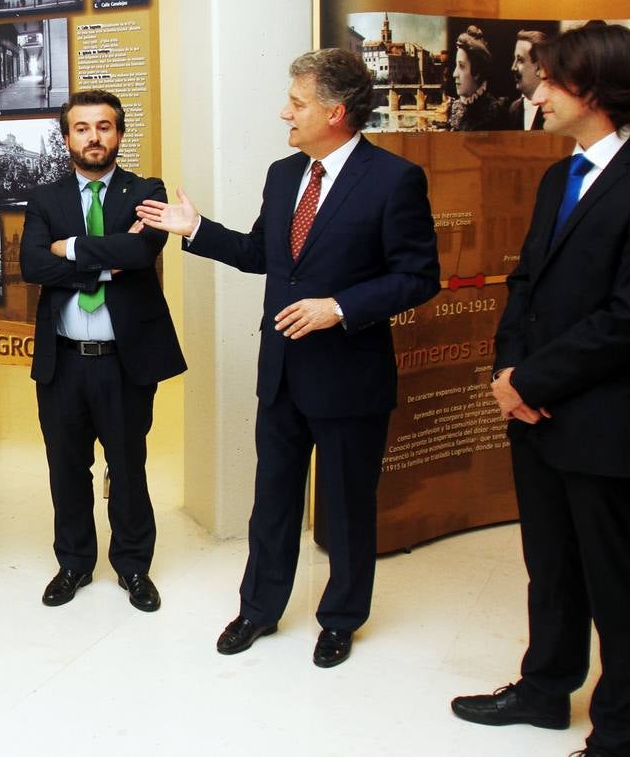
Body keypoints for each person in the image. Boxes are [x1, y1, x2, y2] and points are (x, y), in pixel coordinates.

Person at [136, 49, 439, 666]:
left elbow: (418, 276)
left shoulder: (393, 180)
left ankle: (341, 618)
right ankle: (259, 608)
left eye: (296, 103)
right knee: (272, 499)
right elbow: (259, 253)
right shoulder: (283, 174)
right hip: (281, 374)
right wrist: (195, 229)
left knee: (349, 506)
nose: (285, 113)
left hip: (351, 377)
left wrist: (341, 307)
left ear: (336, 111)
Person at [450, 21, 630, 757]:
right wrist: (509, 377)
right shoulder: (558, 174)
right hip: (534, 412)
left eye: (549, 79)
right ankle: (545, 691)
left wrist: (533, 380)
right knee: (550, 567)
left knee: (615, 580)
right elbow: (527, 282)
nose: (535, 91)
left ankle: (621, 735)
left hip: (607, 417)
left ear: (595, 88)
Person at [20, 89, 185, 613]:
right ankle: (73, 563)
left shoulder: (147, 189)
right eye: (82, 127)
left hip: (124, 361)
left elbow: (142, 251)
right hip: (63, 361)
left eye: (104, 126)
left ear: (119, 132)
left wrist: (66, 248)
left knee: (128, 465)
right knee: (66, 468)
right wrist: (110, 255)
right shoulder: (46, 198)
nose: (94, 137)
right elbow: (32, 267)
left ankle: (134, 567)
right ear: (66, 136)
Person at [449, 25, 510, 131]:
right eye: (456, 66)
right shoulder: (456, 107)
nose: (454, 74)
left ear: (477, 72)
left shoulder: (493, 113)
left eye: (461, 66)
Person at [506, 29, 549, 131]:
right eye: (514, 59)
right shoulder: (514, 109)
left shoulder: (553, 108)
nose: (513, 67)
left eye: (520, 60)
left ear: (539, 67)